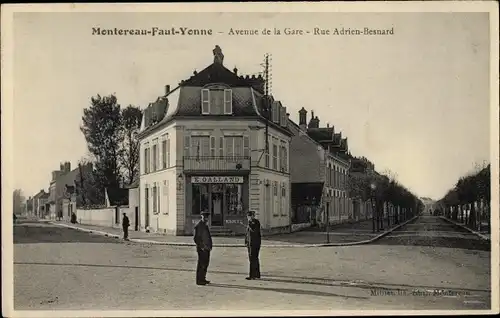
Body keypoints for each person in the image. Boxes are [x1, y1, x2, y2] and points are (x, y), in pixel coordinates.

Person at [193, 211, 213, 285]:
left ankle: (203, 278)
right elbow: (196, 239)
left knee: (205, 264)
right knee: (201, 264)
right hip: (202, 249)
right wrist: (202, 247)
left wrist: (210, 246)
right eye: (204, 217)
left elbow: (207, 237)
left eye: (207, 217)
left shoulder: (205, 225)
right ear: (201, 217)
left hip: (207, 248)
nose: (206, 218)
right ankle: (199, 280)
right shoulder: (199, 226)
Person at [245, 210, 261, 280]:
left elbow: (254, 231)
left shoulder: (255, 222)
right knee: (254, 259)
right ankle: (257, 274)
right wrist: (246, 241)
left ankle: (252, 275)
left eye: (249, 216)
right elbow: (247, 234)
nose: (247, 217)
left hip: (254, 243)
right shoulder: (251, 223)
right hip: (250, 243)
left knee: (253, 259)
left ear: (252, 216)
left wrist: (250, 223)